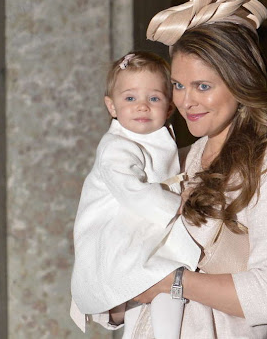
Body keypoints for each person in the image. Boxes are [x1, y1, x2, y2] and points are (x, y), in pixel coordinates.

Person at [100, 0, 267, 338]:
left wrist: (169, 282)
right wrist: (113, 298)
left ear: (241, 82)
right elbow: (121, 263)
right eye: (178, 86)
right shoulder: (177, 161)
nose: (186, 101)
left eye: (203, 86)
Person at [70, 52, 201, 339]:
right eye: (130, 98)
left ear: (168, 108)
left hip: (138, 230)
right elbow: (131, 190)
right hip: (115, 234)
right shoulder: (116, 146)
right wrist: (177, 203)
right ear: (112, 106)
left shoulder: (155, 140)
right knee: (159, 278)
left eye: (153, 98)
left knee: (156, 285)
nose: (142, 105)